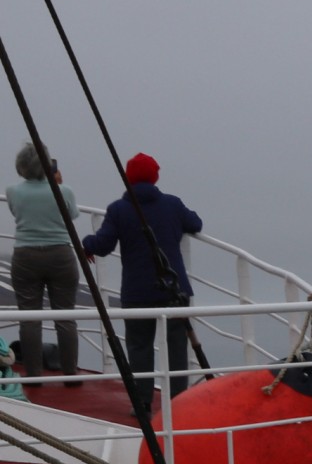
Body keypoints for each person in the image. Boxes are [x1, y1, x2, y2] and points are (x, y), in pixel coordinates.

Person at [81, 152, 202, 402]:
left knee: (139, 348)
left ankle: (142, 403)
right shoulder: (172, 204)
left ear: (128, 178)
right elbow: (195, 223)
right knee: (177, 348)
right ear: (156, 176)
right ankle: (178, 403)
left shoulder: (118, 209)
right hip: (174, 289)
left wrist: (86, 243)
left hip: (136, 292)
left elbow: (103, 245)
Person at [7, 144, 81, 387]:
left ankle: (33, 374)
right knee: (65, 316)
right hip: (60, 254)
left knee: (29, 317)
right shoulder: (64, 191)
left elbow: (16, 213)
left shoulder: (13, 191)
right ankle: (70, 374)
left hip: (25, 255)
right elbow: (71, 216)